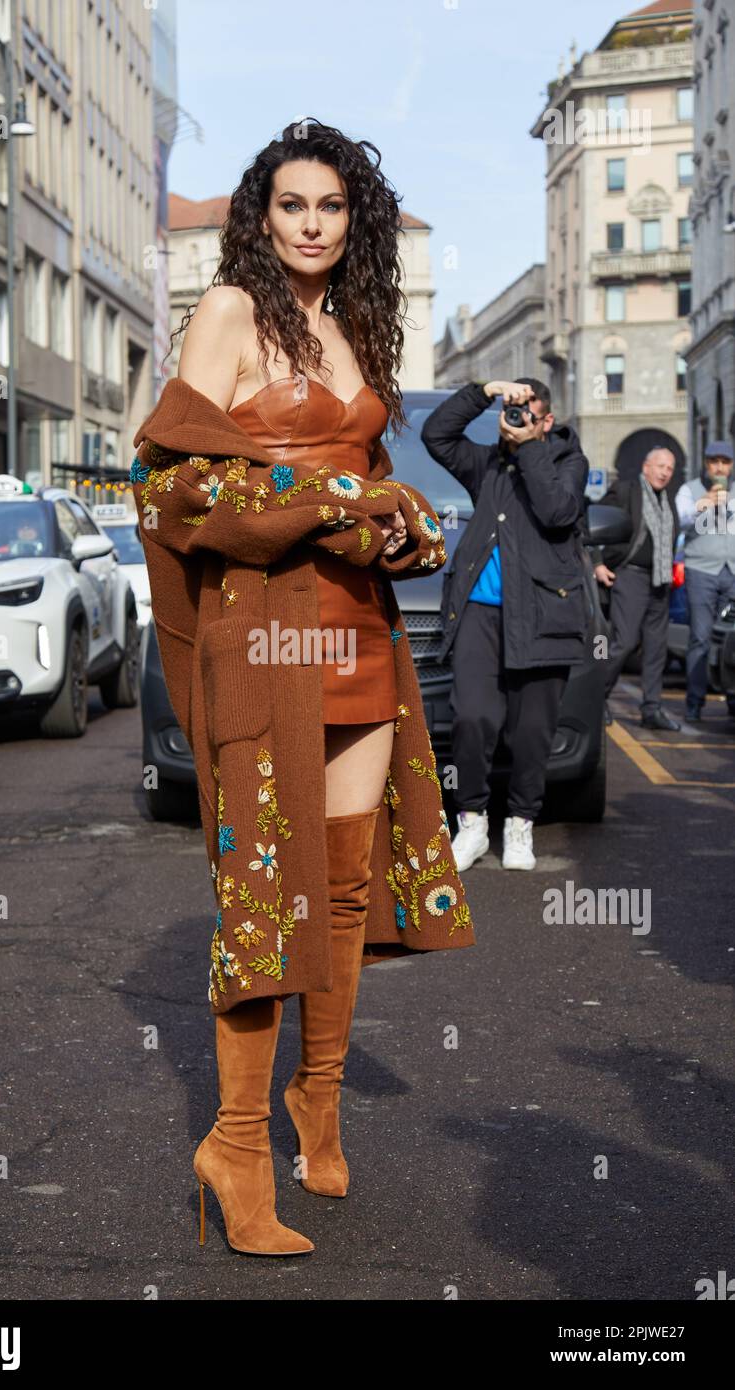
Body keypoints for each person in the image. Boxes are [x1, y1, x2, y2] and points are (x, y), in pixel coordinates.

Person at [129, 118, 475, 1258]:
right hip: (263, 627)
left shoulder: (358, 324)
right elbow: (177, 477)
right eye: (292, 206)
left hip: (359, 634)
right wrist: (330, 504)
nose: (312, 225)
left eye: (330, 207)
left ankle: (313, 1099)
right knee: (261, 892)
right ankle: (233, 1143)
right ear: (260, 214)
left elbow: (378, 476)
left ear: (353, 219)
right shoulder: (230, 310)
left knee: (340, 886)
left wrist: (400, 524)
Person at [420, 377, 589, 873]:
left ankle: (520, 823)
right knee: (473, 717)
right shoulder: (488, 464)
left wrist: (530, 448)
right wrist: (483, 391)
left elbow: (558, 511)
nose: (515, 418)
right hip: (479, 611)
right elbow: (437, 436)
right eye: (511, 410)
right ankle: (471, 821)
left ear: (547, 420)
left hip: (542, 614)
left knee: (533, 730)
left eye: (526, 410)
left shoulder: (567, 461)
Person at [592, 448, 681, 731]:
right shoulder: (626, 490)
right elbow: (591, 520)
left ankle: (652, 708)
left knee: (656, 649)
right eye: (660, 466)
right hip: (629, 576)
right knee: (624, 642)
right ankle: (594, 699)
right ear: (646, 466)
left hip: (660, 580)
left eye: (669, 468)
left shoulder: (668, 499)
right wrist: (596, 563)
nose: (665, 472)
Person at [674, 440, 735, 721]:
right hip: (701, 571)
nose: (720, 467)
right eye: (715, 462)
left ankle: (731, 699)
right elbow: (682, 521)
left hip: (732, 571)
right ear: (706, 464)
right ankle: (695, 701)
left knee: (731, 642)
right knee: (700, 637)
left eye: (725, 462)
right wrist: (706, 504)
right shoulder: (690, 490)